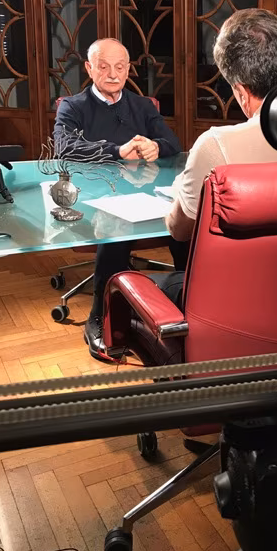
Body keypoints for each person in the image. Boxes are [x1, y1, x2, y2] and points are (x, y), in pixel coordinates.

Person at [157, 7, 277, 309]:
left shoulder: (216, 146)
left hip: (238, 304)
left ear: (241, 91)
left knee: (155, 284)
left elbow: (179, 230)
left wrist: (180, 192)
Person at [53, 37, 182, 360]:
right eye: (104, 66)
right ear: (89, 68)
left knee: (184, 222)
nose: (113, 74)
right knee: (115, 229)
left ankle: (189, 302)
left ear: (128, 70)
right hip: (96, 198)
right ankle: (100, 317)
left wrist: (156, 146)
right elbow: (64, 148)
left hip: (145, 193)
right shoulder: (73, 106)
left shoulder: (142, 105)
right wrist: (117, 151)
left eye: (120, 67)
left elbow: (173, 143)